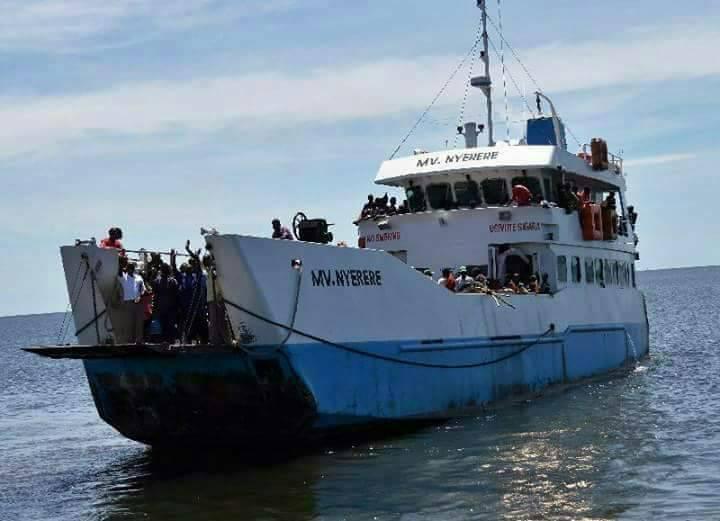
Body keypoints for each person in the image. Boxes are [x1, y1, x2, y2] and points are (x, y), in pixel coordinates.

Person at [116, 262, 146, 343]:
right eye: (129, 268)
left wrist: (140, 295)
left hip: (138, 302)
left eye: (132, 268)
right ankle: (129, 341)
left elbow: (143, 289)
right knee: (129, 323)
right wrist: (122, 263)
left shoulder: (139, 277)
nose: (130, 270)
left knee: (139, 322)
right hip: (128, 302)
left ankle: (139, 340)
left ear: (133, 269)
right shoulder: (123, 277)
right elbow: (119, 272)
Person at [152, 263, 179, 343]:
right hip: (163, 308)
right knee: (165, 328)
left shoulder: (172, 281)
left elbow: (176, 295)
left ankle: (168, 342)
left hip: (168, 308)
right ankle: (166, 343)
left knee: (168, 328)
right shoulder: (157, 281)